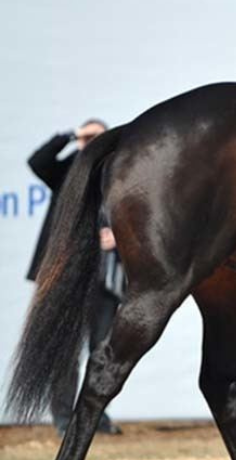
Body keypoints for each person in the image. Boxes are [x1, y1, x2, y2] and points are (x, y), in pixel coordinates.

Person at [26, 119, 123, 436]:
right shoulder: (67, 170)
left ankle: (95, 416)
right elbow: (38, 162)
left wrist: (118, 236)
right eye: (88, 136)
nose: (91, 142)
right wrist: (70, 137)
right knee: (65, 350)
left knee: (103, 352)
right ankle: (64, 417)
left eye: (98, 137)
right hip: (66, 277)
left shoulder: (117, 174)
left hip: (105, 279)